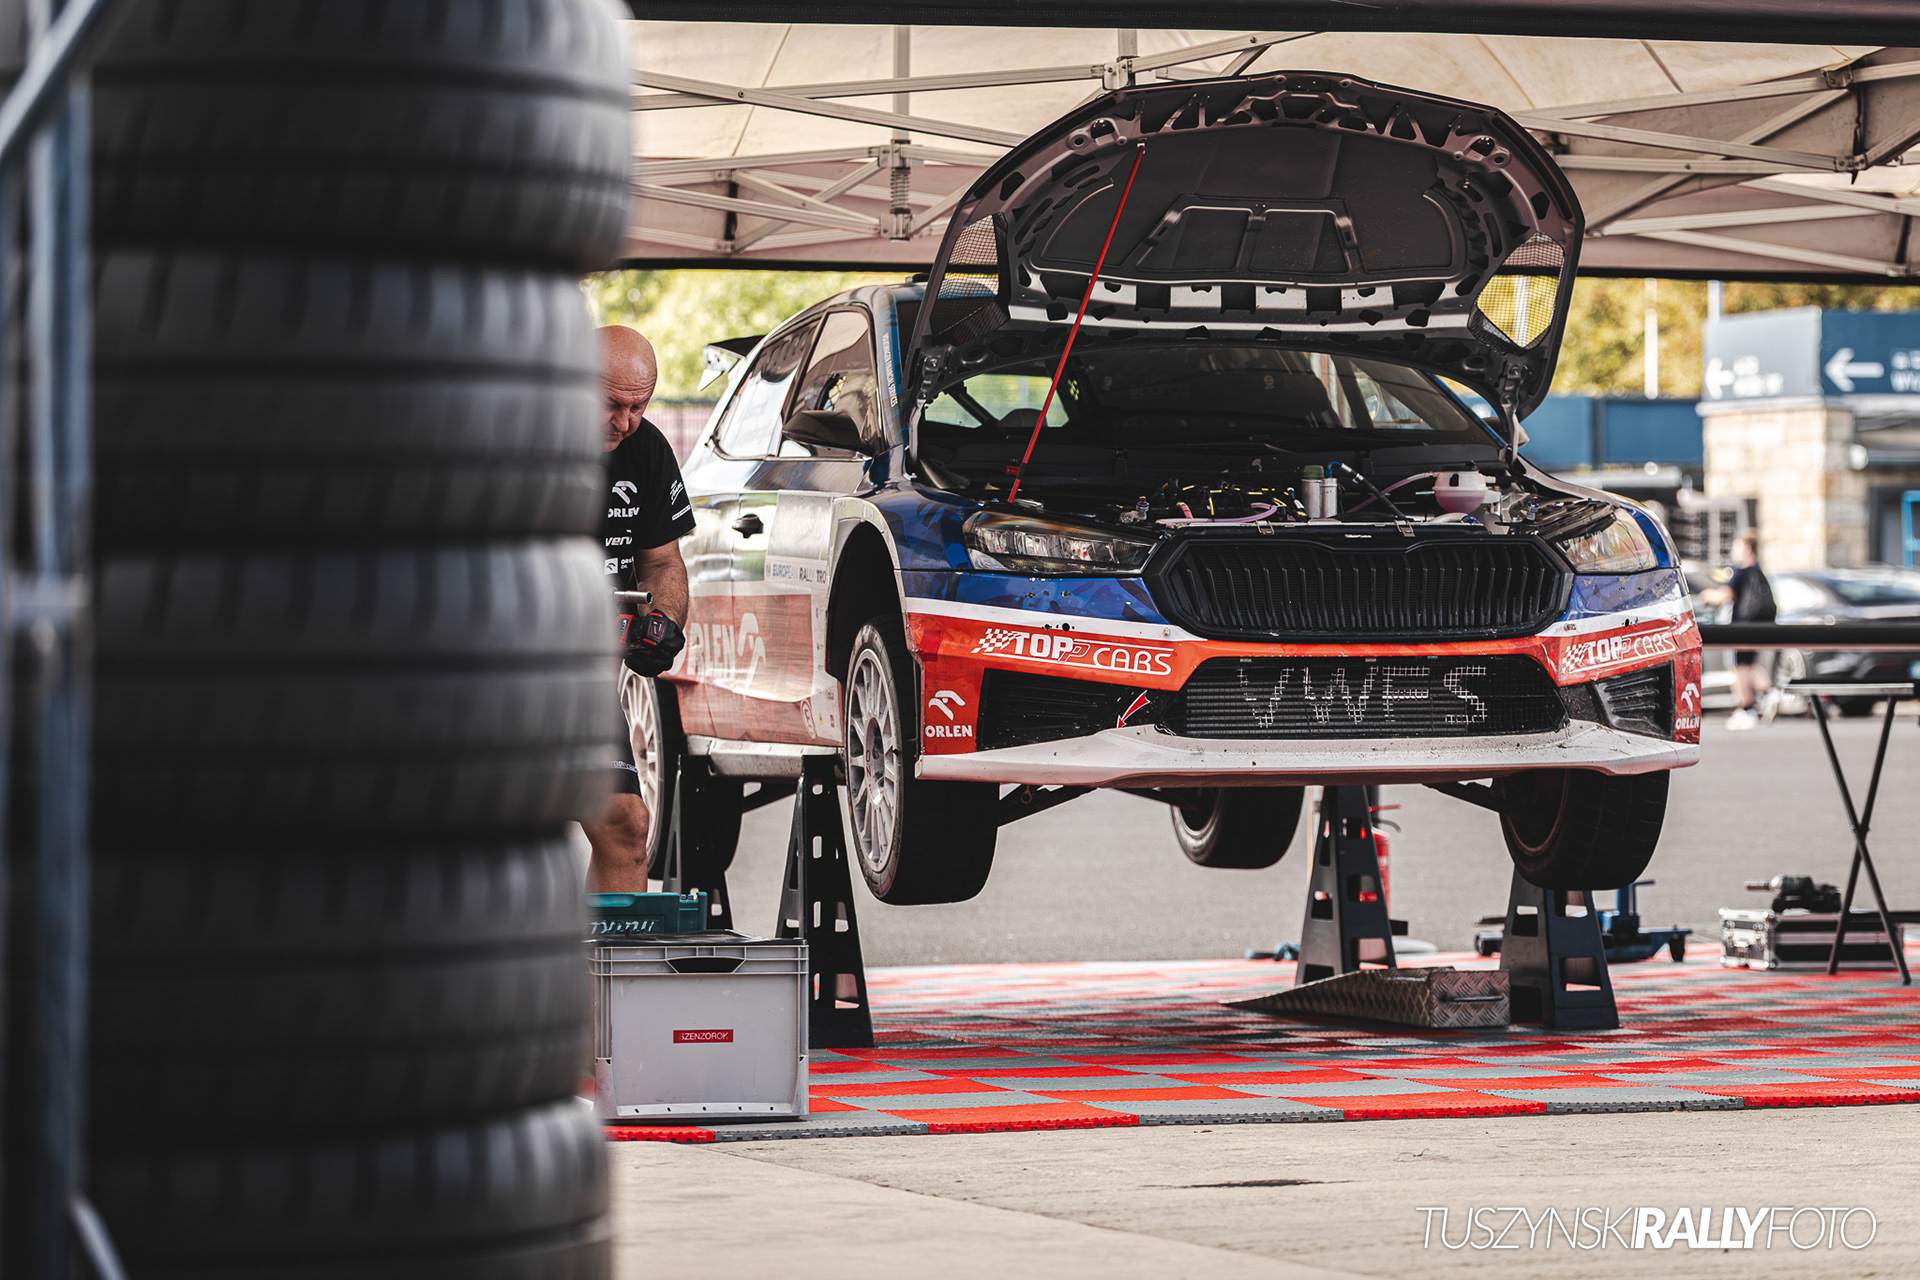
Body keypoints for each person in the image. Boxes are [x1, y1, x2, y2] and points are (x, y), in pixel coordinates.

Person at [583, 324, 695, 890]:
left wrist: (664, 621)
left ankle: (606, 956)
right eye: (610, 404)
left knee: (626, 826)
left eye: (638, 406)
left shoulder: (646, 449)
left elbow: (663, 563)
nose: (624, 422)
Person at [1701, 531, 1775, 731]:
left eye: (1737, 547)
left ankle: (1746, 708)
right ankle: (1770, 693)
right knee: (1749, 665)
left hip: (1741, 627)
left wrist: (1707, 595)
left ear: (1747, 549)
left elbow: (1723, 595)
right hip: (1756, 627)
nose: (1733, 552)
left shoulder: (1741, 573)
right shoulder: (1759, 572)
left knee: (1739, 668)